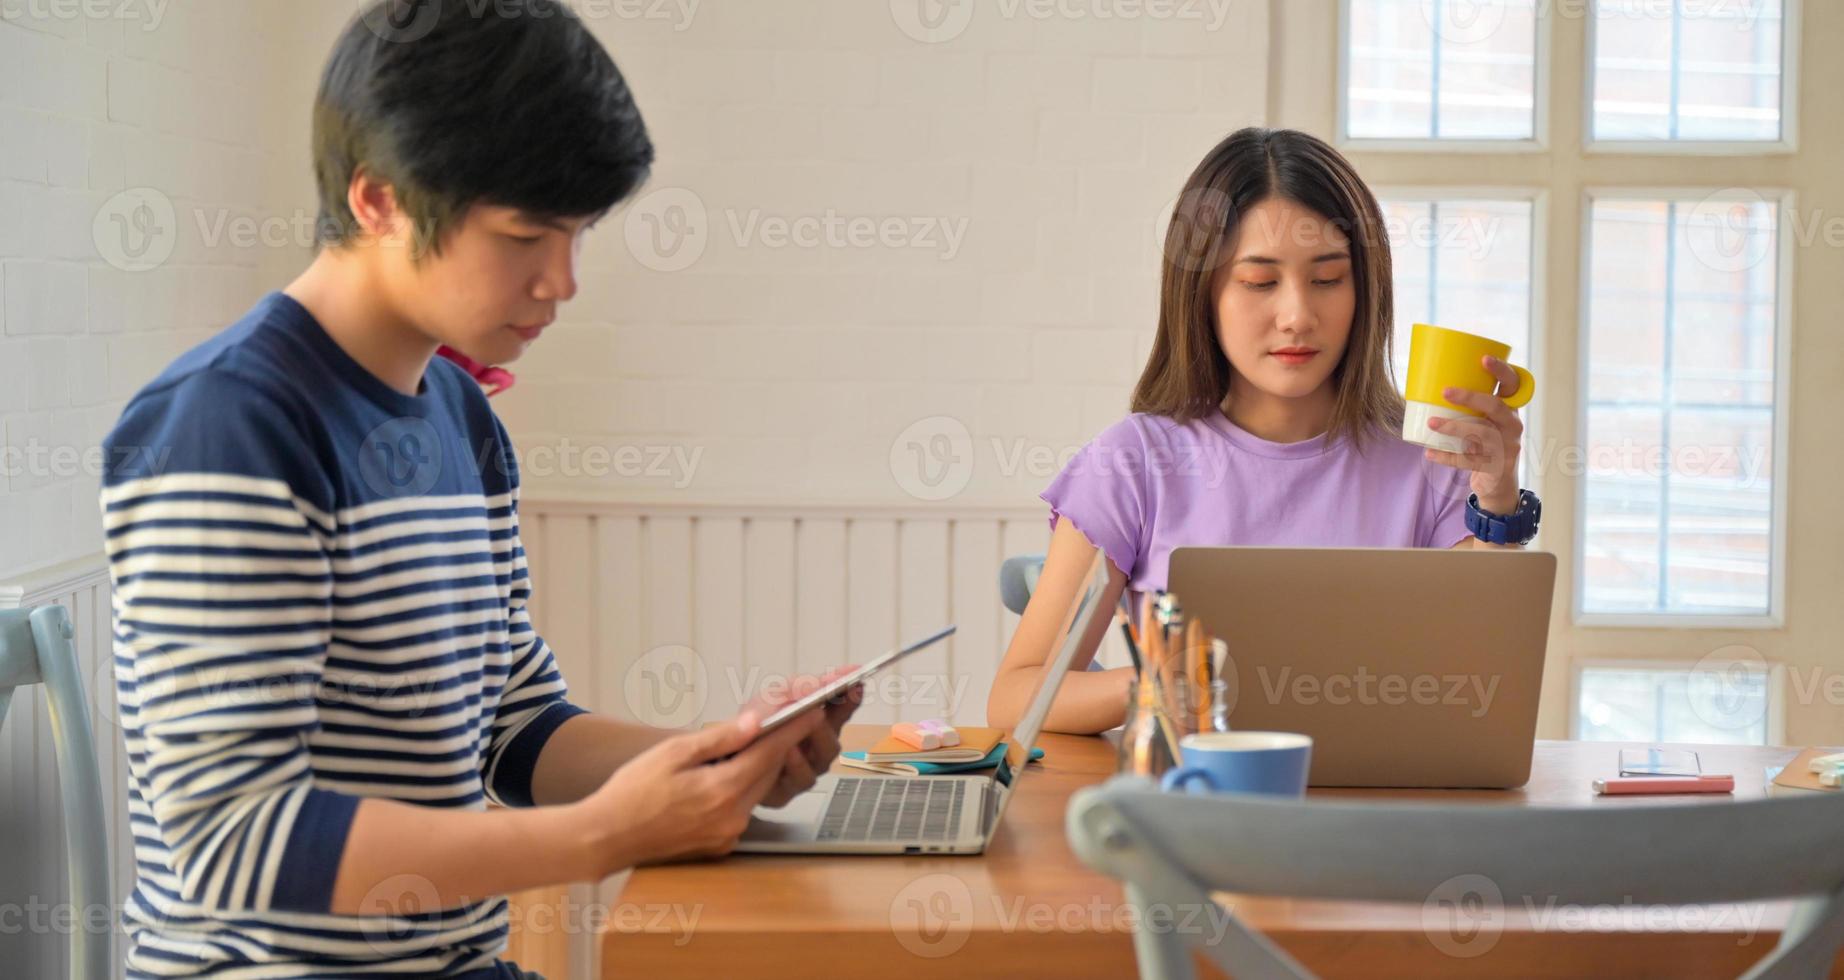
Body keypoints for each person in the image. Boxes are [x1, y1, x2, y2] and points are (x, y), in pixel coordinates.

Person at [99, 2, 857, 975]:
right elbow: (230, 840)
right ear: (379, 200)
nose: (563, 282)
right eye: (523, 237)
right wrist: (601, 834)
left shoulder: (461, 418)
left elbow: (515, 728)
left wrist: (717, 763)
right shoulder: (227, 425)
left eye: (577, 235)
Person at [986, 127, 1536, 735]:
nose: (1298, 315)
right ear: (1202, 293)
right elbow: (1017, 697)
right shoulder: (1133, 462)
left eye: (1328, 279)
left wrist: (1496, 498)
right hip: (1201, 810)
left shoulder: (1428, 460)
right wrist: (1156, 682)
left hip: (1385, 812)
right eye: (1259, 282)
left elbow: (1482, 687)